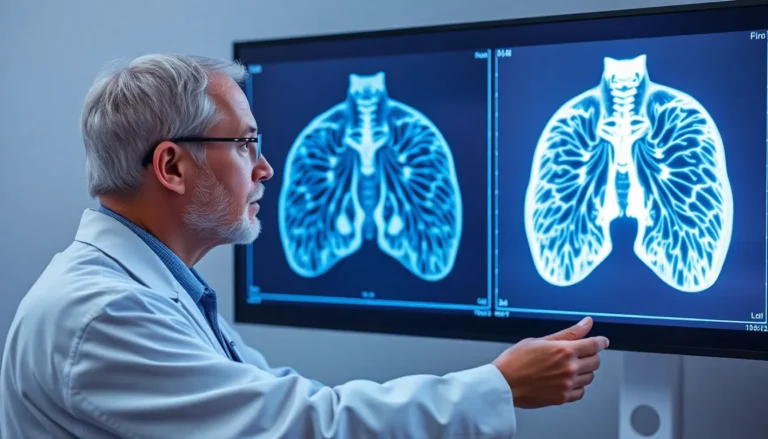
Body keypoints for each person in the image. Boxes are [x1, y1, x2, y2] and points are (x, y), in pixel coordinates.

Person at [0, 53, 609, 439]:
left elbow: (286, 401)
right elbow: (301, 428)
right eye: (245, 144)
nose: (266, 169)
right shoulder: (103, 315)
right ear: (171, 166)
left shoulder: (153, 291)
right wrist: (497, 387)